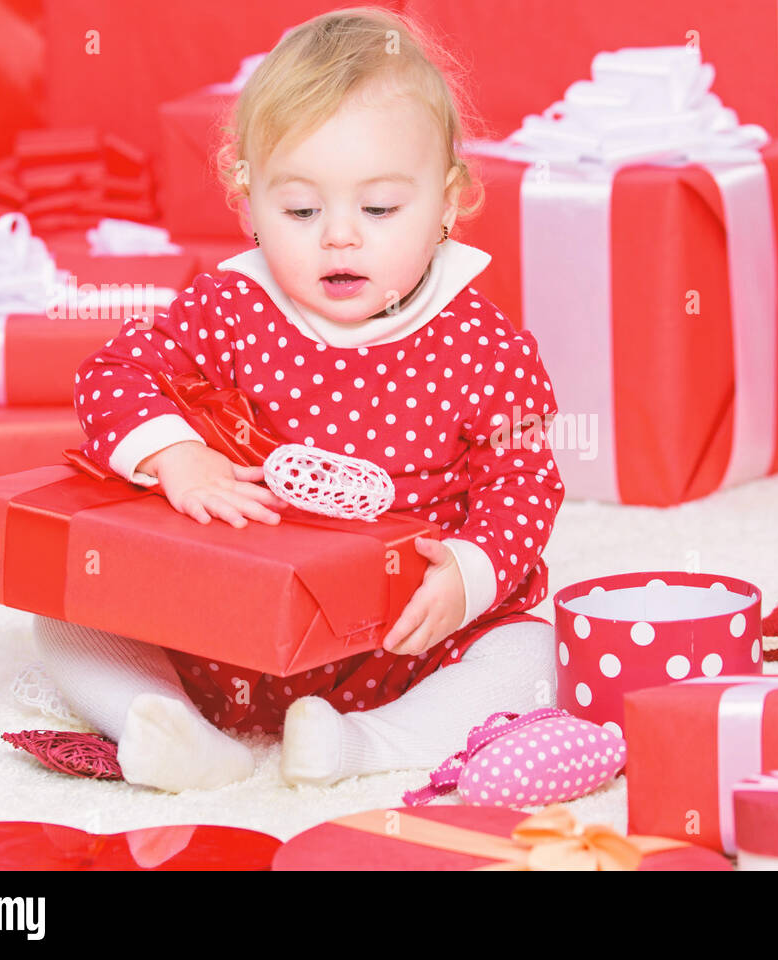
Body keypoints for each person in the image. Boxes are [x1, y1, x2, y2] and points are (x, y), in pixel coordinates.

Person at [34, 7, 564, 793]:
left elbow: (522, 479)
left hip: (408, 637)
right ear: (248, 204)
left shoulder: (481, 344)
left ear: (449, 200)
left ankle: (364, 744)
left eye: (379, 209)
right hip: (228, 635)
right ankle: (170, 724)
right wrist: (176, 454)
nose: (339, 237)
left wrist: (468, 570)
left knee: (535, 659)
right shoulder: (230, 305)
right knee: (65, 609)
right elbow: (114, 372)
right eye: (301, 211)